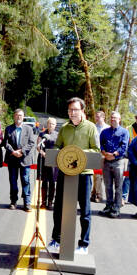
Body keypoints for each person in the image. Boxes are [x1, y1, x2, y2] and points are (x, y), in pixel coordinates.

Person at [48, 97, 100, 255]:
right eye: (70, 110)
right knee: (59, 208)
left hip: (84, 175)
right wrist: (58, 151)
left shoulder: (91, 128)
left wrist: (77, 154)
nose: (72, 113)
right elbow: (57, 146)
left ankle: (84, 244)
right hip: (65, 173)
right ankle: (56, 240)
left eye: (75, 110)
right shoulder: (64, 128)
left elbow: (96, 150)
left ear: (82, 110)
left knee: (85, 211)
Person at [4, 109, 36, 212]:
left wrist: (21, 151)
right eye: (17, 115)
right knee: (13, 181)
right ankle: (13, 201)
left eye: (21, 116)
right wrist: (13, 152)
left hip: (25, 159)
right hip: (12, 159)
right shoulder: (8, 128)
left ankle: (27, 203)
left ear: (23, 117)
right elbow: (6, 143)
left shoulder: (29, 129)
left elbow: (31, 142)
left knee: (25, 181)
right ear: (14, 116)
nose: (19, 117)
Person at [98, 111, 129, 218]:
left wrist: (114, 154)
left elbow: (124, 146)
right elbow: (101, 144)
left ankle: (116, 207)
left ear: (119, 119)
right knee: (107, 186)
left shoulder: (124, 132)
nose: (113, 119)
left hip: (118, 162)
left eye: (115, 118)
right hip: (106, 161)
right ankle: (108, 206)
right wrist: (104, 153)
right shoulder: (104, 132)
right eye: (111, 118)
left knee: (118, 186)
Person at [37, 117, 59, 210]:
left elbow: (60, 147)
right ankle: (43, 202)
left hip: (54, 160)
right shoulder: (42, 134)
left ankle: (50, 202)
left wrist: (53, 156)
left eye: (53, 124)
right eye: (49, 123)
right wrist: (43, 153)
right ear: (47, 124)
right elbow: (38, 146)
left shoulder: (58, 135)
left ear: (55, 125)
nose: (51, 125)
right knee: (44, 181)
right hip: (43, 158)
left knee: (52, 182)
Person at [123, 111, 137, 205]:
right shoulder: (129, 128)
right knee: (127, 177)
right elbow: (126, 142)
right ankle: (123, 197)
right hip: (132, 157)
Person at [90, 110, 109, 203]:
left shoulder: (107, 128)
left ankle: (98, 195)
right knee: (94, 175)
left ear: (103, 117)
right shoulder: (93, 127)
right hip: (94, 152)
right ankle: (93, 194)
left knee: (99, 175)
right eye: (96, 117)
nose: (96, 118)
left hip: (103, 153)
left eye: (98, 117)